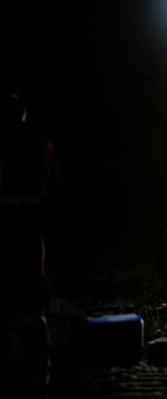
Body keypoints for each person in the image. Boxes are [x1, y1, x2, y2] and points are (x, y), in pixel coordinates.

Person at [1, 92, 61, 397]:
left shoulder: (11, 144)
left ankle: (31, 373)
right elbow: (51, 181)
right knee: (30, 301)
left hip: (18, 229)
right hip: (30, 230)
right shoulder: (36, 143)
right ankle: (39, 375)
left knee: (21, 302)